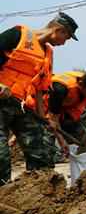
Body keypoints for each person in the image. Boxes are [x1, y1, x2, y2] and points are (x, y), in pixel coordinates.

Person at [0, 12, 78, 184]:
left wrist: (44, 119)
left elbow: (40, 90)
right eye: (66, 38)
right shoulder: (18, 35)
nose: (64, 43)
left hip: (21, 106)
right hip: (1, 101)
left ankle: (41, 192)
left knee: (40, 152)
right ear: (59, 30)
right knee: (1, 157)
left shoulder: (47, 54)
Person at [35, 68, 86, 158]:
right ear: (82, 86)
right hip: (46, 111)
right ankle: (45, 165)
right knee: (47, 143)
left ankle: (85, 170)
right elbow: (54, 118)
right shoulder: (60, 88)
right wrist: (62, 141)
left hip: (67, 112)